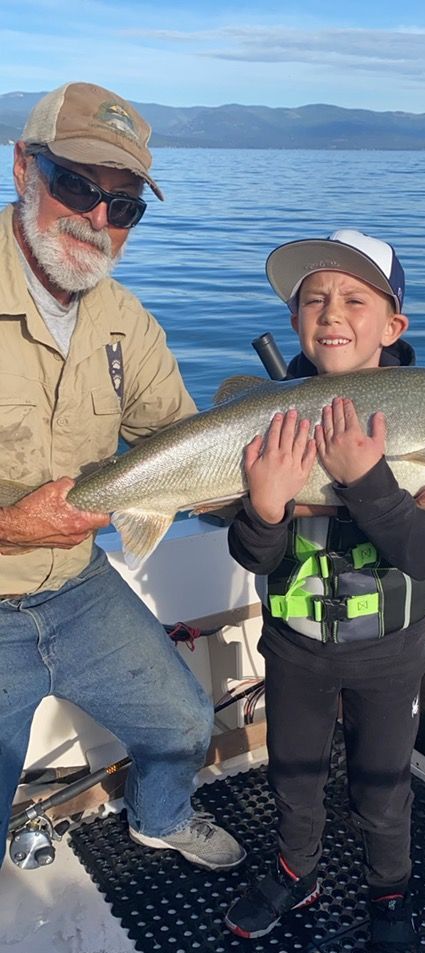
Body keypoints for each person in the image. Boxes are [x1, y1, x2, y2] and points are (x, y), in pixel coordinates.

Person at [224, 230, 425, 953]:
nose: (330, 313)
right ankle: (295, 871)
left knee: (382, 787)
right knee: (294, 778)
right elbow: (256, 556)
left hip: (389, 652)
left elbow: (424, 553)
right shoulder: (274, 418)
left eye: (353, 299)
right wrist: (268, 506)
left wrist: (368, 479)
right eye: (313, 299)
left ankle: (388, 896)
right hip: (294, 645)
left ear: (392, 325)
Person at [0, 82, 244, 873]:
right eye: (77, 185)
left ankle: (160, 815)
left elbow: (188, 449)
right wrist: (9, 525)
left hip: (77, 581)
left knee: (184, 720)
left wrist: (313, 477)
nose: (97, 220)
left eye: (125, 207)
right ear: (21, 167)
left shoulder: (125, 323)